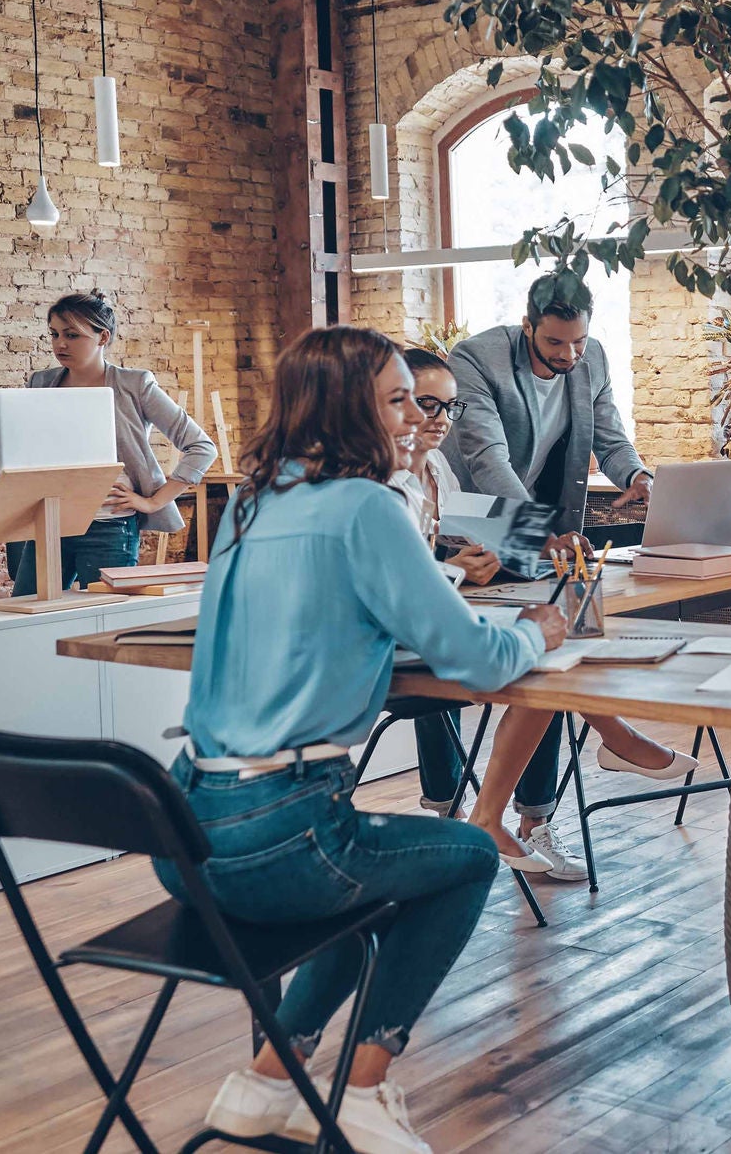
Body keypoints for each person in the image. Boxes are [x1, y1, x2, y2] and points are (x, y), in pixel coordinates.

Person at [169, 325, 559, 1154]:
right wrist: (540, 632)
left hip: (187, 830)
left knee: (376, 882)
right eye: (396, 399)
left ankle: (269, 1079)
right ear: (352, 410)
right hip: (282, 836)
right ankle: (365, 1088)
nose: (413, 414)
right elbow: (475, 659)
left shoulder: (251, 501)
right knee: (465, 856)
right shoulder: (368, 508)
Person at [399, 347, 693, 870]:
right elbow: (405, 577)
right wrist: (460, 568)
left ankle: (507, 815)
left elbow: (452, 541)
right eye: (425, 404)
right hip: (408, 638)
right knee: (550, 651)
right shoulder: (383, 483)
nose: (440, 421)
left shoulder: (438, 470)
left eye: (449, 408)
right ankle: (614, 739)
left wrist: (521, 547)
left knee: (569, 617)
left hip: (438, 615)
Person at [12, 291, 217, 595]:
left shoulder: (134, 384)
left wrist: (153, 501)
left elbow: (201, 447)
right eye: (54, 334)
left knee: (102, 619)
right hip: (50, 522)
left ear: (102, 337)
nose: (60, 344)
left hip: (108, 526)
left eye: (72, 335)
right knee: (26, 614)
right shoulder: (41, 382)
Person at [445, 269, 650, 528]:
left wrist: (638, 476)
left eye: (579, 341)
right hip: (469, 511)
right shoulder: (476, 358)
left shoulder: (594, 358)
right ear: (527, 326)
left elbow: (611, 444)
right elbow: (488, 459)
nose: (568, 354)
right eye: (554, 342)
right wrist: (536, 532)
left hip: (530, 509)